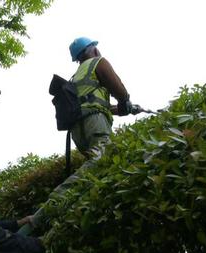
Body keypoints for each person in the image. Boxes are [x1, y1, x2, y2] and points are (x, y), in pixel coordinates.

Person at [31, 37, 137, 230]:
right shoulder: (99, 62)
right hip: (94, 123)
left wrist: (120, 109)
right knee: (102, 160)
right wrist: (125, 101)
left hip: (78, 130)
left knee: (98, 171)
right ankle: (52, 205)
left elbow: (92, 103)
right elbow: (119, 90)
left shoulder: (76, 77)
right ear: (92, 49)